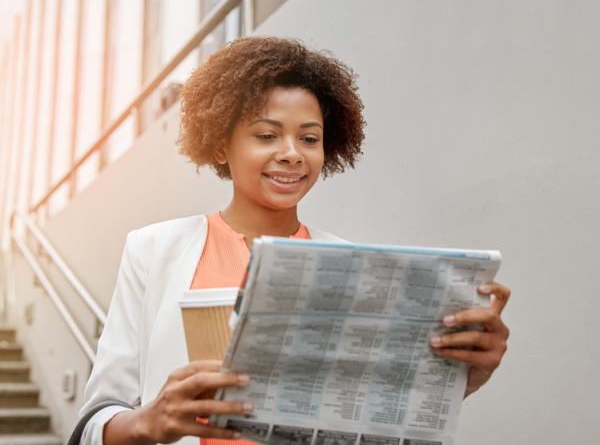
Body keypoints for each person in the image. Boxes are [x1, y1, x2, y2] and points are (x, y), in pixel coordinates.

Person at [79, 36, 511, 445]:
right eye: (266, 135)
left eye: (309, 138)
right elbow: (96, 421)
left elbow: (377, 415)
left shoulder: (354, 267)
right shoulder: (153, 251)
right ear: (220, 146)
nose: (292, 153)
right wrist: (148, 421)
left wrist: (465, 375)